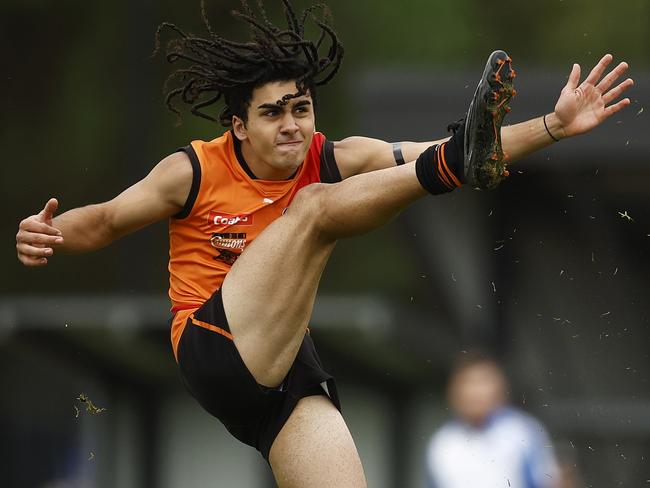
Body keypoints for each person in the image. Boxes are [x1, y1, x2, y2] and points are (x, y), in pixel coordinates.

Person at [15, 1, 633, 486]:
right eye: (273, 113)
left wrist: (553, 126)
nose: (292, 125)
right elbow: (106, 222)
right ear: (238, 125)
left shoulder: (337, 156)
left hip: (284, 376)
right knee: (314, 208)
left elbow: (468, 155)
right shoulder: (195, 170)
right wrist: (51, 232)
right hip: (212, 347)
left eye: (302, 108)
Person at [425, 352, 560, 488]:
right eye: (468, 382)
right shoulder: (442, 442)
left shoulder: (523, 431)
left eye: (483, 382)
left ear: (499, 386)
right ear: (454, 390)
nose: (475, 391)